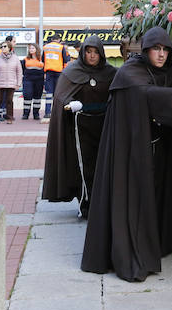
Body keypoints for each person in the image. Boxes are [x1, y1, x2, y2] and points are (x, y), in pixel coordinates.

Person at [81, 27, 172, 282]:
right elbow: (142, 93)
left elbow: (165, 106)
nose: (161, 55)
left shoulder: (169, 72)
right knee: (133, 199)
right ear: (146, 50)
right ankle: (133, 252)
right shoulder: (130, 71)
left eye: (165, 50)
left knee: (156, 196)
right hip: (129, 149)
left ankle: (156, 245)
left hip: (156, 144)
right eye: (156, 49)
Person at [41, 35, 117, 218]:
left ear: (101, 54)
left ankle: (104, 202)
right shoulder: (72, 72)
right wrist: (71, 103)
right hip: (80, 128)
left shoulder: (110, 73)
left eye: (96, 52)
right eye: (89, 52)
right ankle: (86, 203)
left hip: (104, 125)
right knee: (85, 166)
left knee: (104, 164)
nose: (92, 56)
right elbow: (61, 96)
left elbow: (117, 94)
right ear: (83, 52)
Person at [0, 42, 22, 123]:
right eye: (1, 47)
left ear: (9, 48)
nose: (3, 48)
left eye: (5, 46)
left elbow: (19, 72)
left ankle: (9, 118)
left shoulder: (15, 58)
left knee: (9, 100)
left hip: (11, 83)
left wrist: (18, 83)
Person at [41, 38, 71, 121]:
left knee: (48, 93)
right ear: (58, 40)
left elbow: (43, 59)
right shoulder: (61, 47)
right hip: (58, 72)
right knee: (57, 93)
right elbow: (65, 61)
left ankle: (47, 113)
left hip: (49, 72)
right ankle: (57, 113)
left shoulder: (46, 47)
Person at [20, 43, 45, 120]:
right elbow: (23, 69)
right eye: (30, 48)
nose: (31, 50)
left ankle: (36, 114)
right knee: (27, 96)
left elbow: (45, 69)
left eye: (33, 48)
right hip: (28, 80)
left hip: (39, 80)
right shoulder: (25, 59)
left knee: (37, 97)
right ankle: (25, 114)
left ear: (37, 49)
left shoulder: (42, 59)